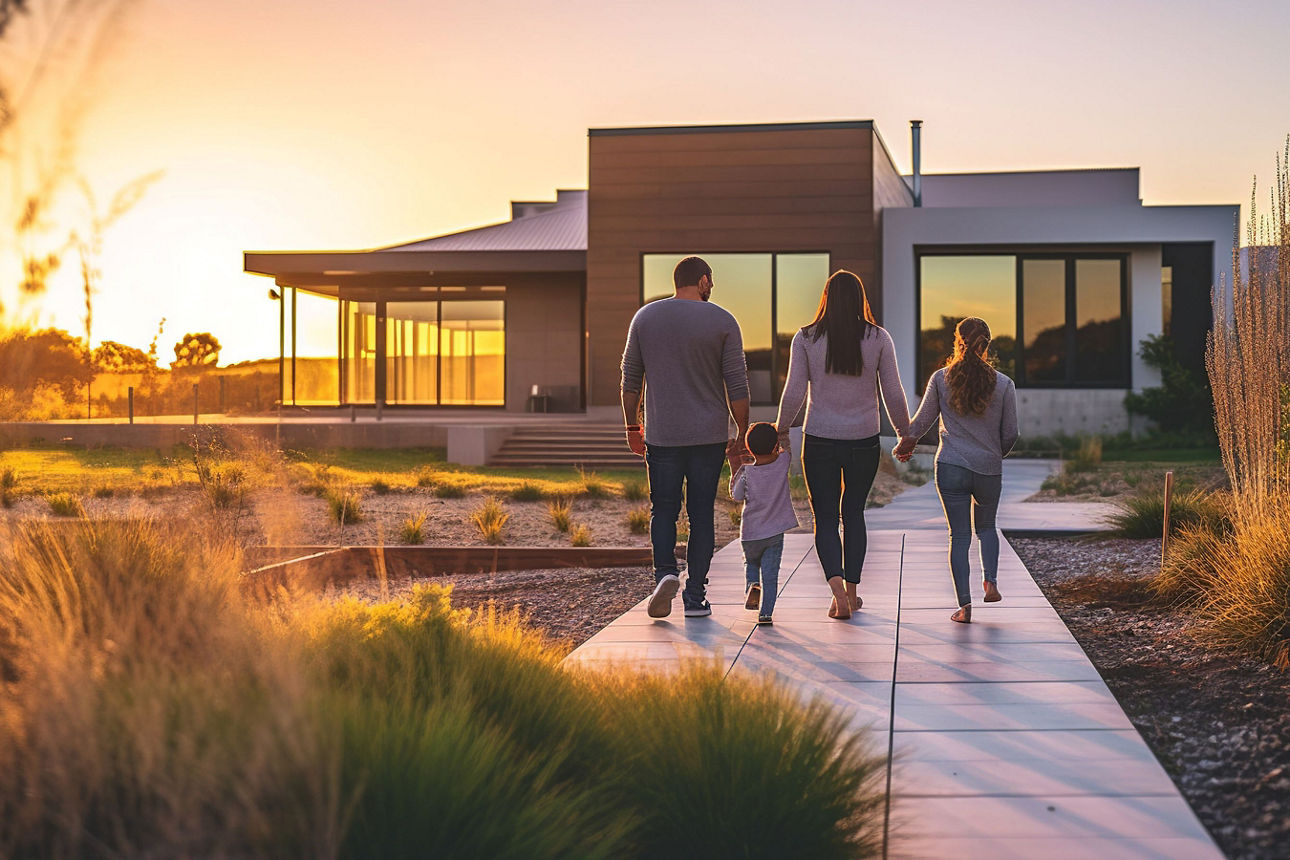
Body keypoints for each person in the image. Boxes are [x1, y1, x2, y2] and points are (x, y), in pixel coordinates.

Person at [775, 270, 910, 620]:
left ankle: (837, 592)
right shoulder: (878, 338)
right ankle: (850, 593)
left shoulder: (806, 338)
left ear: (826, 298)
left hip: (819, 438)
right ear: (860, 299)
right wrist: (904, 433)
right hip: (863, 440)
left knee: (825, 518)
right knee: (853, 514)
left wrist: (781, 429)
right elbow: (893, 392)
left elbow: (794, 390)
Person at [621, 256, 750, 619]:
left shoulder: (645, 317)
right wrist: (741, 431)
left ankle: (664, 574)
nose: (713, 287)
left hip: (662, 435)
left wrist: (632, 426)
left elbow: (630, 379)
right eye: (711, 281)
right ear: (703, 281)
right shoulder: (723, 320)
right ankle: (695, 597)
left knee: (663, 509)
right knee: (701, 514)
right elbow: (737, 384)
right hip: (708, 436)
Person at [895, 317, 1019, 623]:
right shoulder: (1004, 384)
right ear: (987, 344)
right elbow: (1011, 433)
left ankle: (964, 607)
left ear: (957, 342)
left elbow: (919, 424)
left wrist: (904, 445)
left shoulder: (941, 379)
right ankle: (990, 582)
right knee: (987, 528)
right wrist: (994, 454)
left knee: (959, 536)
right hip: (988, 468)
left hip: (951, 465)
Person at [729, 422, 800, 625]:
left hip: (750, 533)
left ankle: (752, 585)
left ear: (749, 448)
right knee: (770, 575)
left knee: (751, 563)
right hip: (774, 534)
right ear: (775, 445)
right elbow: (786, 445)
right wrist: (781, 433)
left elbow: (736, 495)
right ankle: (765, 614)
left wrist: (735, 469)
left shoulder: (747, 472)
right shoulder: (783, 462)